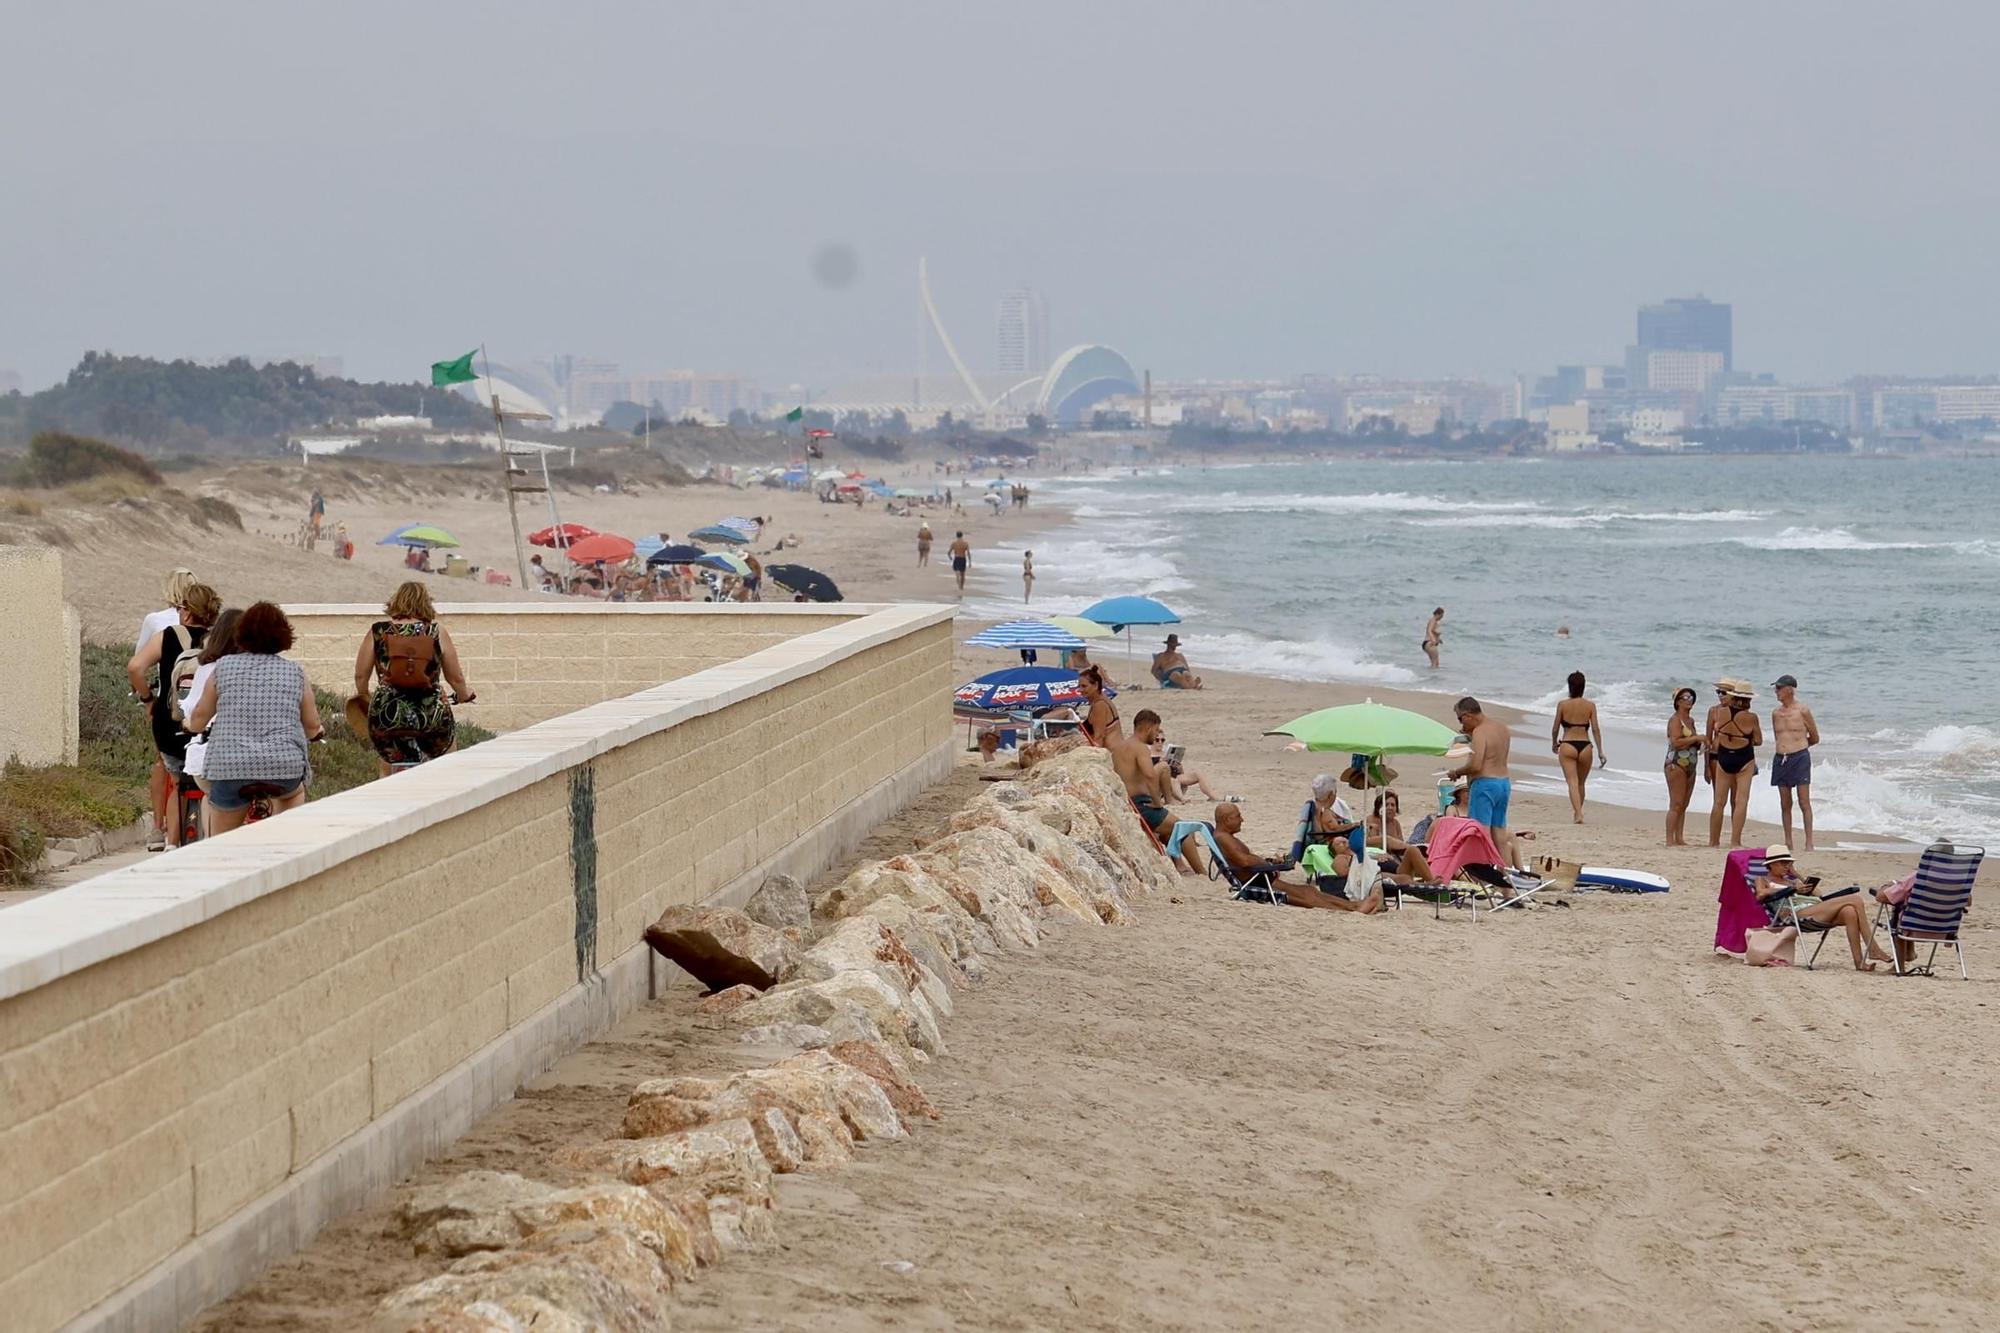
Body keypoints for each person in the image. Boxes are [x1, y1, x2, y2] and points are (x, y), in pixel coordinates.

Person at [185, 602, 323, 835]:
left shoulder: (224, 667)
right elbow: (312, 725)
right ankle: (285, 842)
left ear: (242, 632)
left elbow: (199, 718)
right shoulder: (294, 672)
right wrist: (316, 733)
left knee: (222, 841)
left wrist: (189, 725)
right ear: (283, 635)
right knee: (294, 793)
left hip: (230, 767)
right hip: (283, 767)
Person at [126, 581, 221, 848]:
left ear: (187, 611)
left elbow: (135, 667)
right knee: (208, 782)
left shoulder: (167, 636)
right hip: (206, 727)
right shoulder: (218, 640)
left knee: (178, 780)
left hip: (169, 724)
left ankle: (171, 844)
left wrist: (148, 700)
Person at [353, 581, 474, 776]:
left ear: (396, 601)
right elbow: (456, 677)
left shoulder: (377, 632)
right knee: (447, 760)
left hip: (388, 713)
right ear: (426, 603)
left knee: (389, 764)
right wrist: (464, 694)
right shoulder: (436, 632)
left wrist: (363, 696)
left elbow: (360, 675)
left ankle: (390, 794)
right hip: (430, 713)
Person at [1212, 802, 1381, 913]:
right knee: (1307, 896)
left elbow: (1245, 859)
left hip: (1260, 876)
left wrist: (1270, 862)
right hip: (1258, 880)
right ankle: (1352, 909)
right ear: (1227, 819)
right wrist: (1268, 865)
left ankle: (1353, 905)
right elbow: (1244, 861)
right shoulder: (1223, 838)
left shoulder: (1225, 837)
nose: (1242, 819)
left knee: (1309, 890)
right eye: (1238, 816)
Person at [133, 568, 198, 849]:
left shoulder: (156, 621)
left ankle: (159, 830)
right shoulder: (211, 626)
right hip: (201, 707)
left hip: (167, 704)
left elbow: (138, 661)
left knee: (164, 765)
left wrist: (148, 700)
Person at [1753, 846, 1892, 972]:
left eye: (1789, 863)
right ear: (1771, 864)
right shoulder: (1762, 879)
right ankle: (1873, 948)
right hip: (1794, 914)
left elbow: (1819, 895)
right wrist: (1791, 889)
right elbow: (1760, 894)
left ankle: (1859, 963)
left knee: (1849, 911)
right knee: (1855, 899)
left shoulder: (1792, 880)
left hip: (1813, 909)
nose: (1787, 866)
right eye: (1784, 862)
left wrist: (1797, 876)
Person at [1446, 697, 1511, 850]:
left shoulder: (1480, 731)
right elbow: (1493, 754)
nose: (1461, 724)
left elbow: (1476, 765)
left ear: (1468, 715)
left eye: (1461, 720)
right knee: (1500, 837)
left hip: (1485, 785)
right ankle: (1505, 873)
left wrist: (1457, 772)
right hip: (1503, 783)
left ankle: (1485, 872)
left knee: (1481, 834)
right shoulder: (1502, 728)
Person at [1770, 674, 1820, 852]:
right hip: (1781, 758)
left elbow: (1815, 736)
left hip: (1799, 757)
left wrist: (1800, 747)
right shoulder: (1775, 713)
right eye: (1775, 689)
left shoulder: (1802, 710)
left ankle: (1809, 842)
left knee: (1804, 801)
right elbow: (1777, 736)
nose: (1776, 692)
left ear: (1789, 689)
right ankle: (1788, 841)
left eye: (1778, 688)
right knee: (1785, 803)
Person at [1709, 682, 1762, 848]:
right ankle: (1735, 841)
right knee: (1741, 801)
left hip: (1724, 756)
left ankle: (1713, 841)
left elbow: (1716, 731)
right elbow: (1759, 740)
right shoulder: (1751, 717)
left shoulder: (1720, 712)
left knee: (1718, 802)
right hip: (1744, 758)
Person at [1551, 671, 1604, 824]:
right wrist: (1600, 751)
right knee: (1581, 783)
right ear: (1583, 687)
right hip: (1585, 746)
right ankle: (1578, 812)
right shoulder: (1590, 706)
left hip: (1568, 744)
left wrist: (1554, 743)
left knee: (1572, 782)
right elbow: (1595, 729)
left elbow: (1555, 728)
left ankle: (1578, 813)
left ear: (1569, 687)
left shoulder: (1562, 705)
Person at [1110, 708, 1172, 836]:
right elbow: (1150, 775)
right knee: (1182, 829)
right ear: (1148, 728)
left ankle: (1177, 857)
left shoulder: (1119, 748)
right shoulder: (1141, 747)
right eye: (1156, 730)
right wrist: (1156, 802)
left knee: (1168, 834)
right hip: (1141, 803)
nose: (1156, 735)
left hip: (1126, 801)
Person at [1663, 687, 1704, 846]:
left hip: (1691, 764)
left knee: (1684, 804)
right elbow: (1675, 742)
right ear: (1678, 701)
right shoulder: (1675, 720)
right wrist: (1696, 737)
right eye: (1686, 697)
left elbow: (1692, 741)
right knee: (1676, 803)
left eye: (1691, 698)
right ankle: (1669, 839)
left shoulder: (1690, 720)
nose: (1689, 700)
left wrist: (1699, 742)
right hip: (1676, 764)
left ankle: (1679, 837)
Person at [1078, 665, 1120, 745]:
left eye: (1084, 686)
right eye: (1079, 686)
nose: (1080, 690)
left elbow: (1099, 738)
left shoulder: (1099, 705)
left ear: (1096, 685)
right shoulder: (1100, 700)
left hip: (1111, 753)